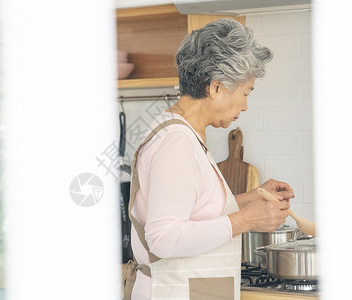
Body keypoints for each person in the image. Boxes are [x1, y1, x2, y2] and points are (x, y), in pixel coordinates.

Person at [123, 18, 294, 300]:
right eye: (245, 92)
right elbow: (163, 238)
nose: (245, 105)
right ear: (215, 88)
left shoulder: (182, 133)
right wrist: (246, 220)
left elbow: (193, 212)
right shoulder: (177, 143)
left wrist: (250, 198)